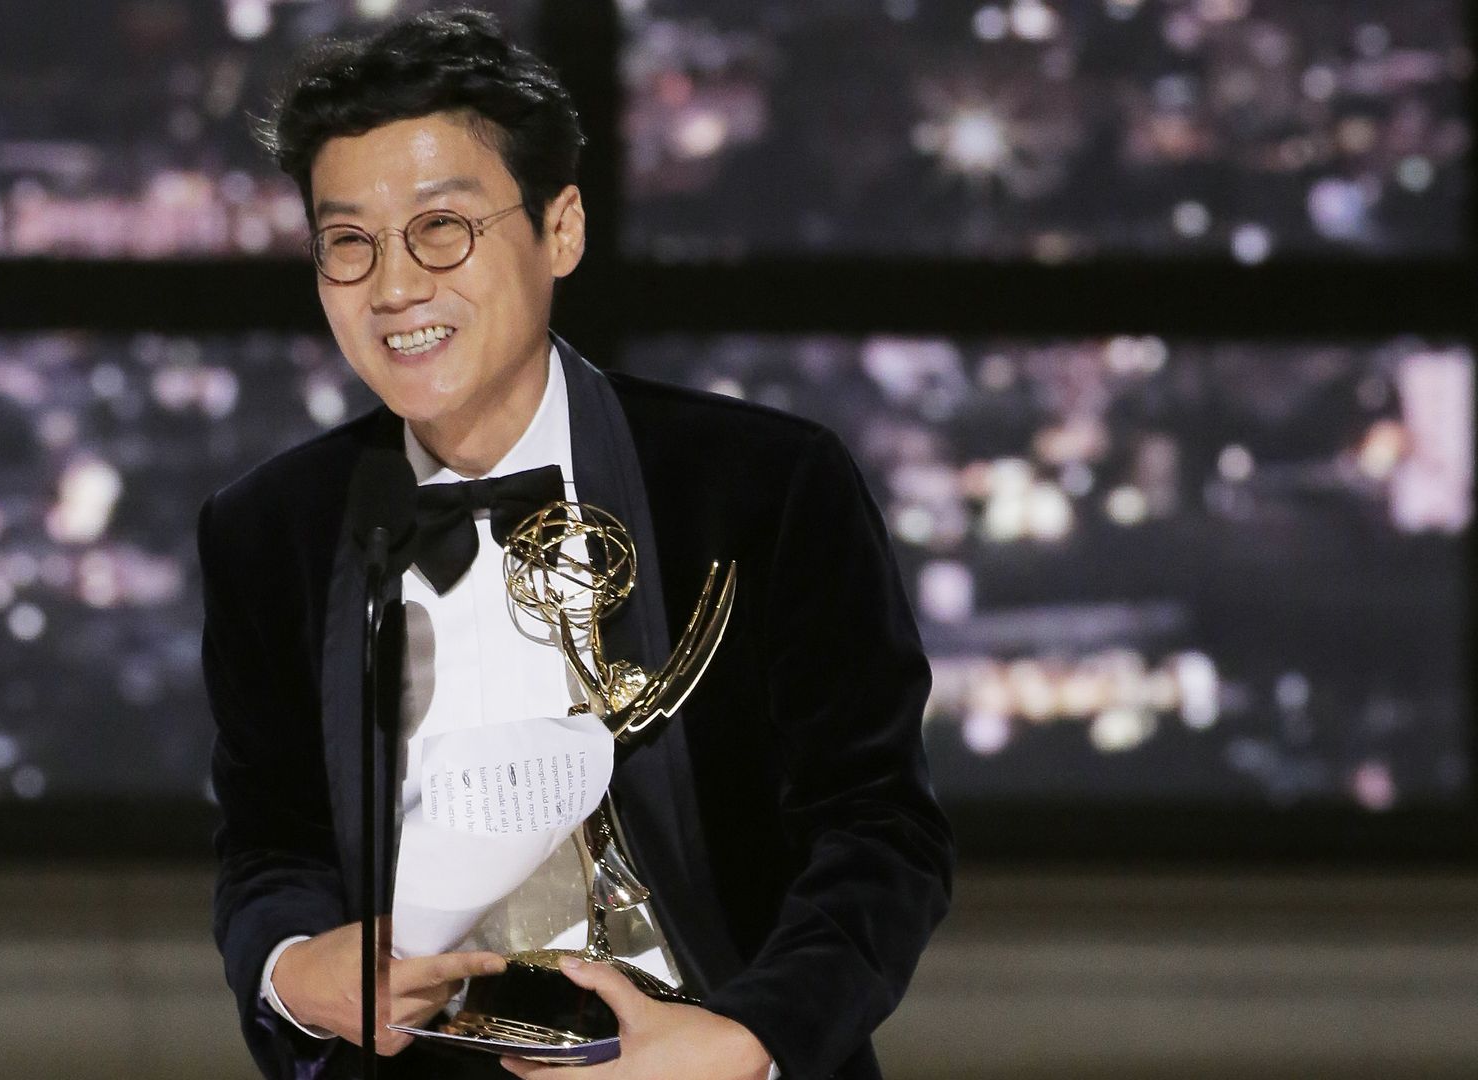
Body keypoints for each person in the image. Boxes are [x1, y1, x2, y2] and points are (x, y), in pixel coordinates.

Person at [200, 11, 952, 1079]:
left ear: (561, 230)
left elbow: (882, 835)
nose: (395, 285)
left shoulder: (762, 487)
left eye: (441, 229)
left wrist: (748, 1040)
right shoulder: (268, 528)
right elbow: (269, 845)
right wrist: (290, 967)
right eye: (348, 243)